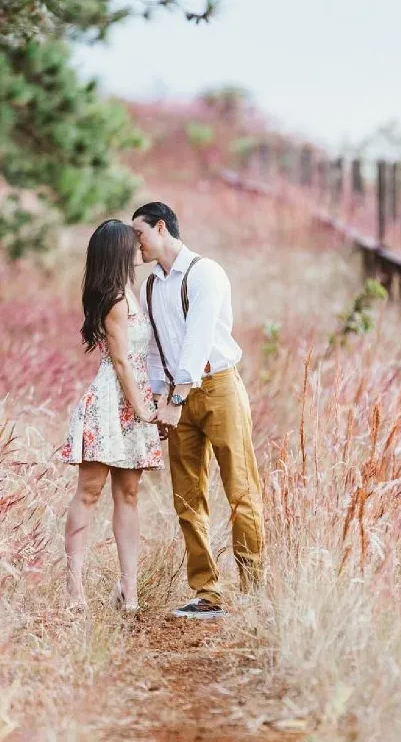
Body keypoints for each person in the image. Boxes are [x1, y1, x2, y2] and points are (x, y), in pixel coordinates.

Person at [132, 202, 264, 620]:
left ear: (160, 227)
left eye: (139, 234)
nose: (135, 244)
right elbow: (153, 350)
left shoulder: (205, 272)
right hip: (176, 397)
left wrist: (175, 399)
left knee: (240, 489)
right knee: (187, 496)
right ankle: (208, 593)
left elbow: (199, 338)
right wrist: (160, 399)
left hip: (218, 387)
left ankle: (254, 591)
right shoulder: (149, 286)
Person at [61, 220, 162, 611]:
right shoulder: (115, 299)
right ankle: (75, 592)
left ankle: (129, 591)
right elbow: (120, 360)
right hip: (111, 402)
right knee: (89, 492)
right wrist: (141, 409)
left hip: (132, 399)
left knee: (129, 495)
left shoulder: (131, 292)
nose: (138, 246)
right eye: (131, 242)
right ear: (117, 252)